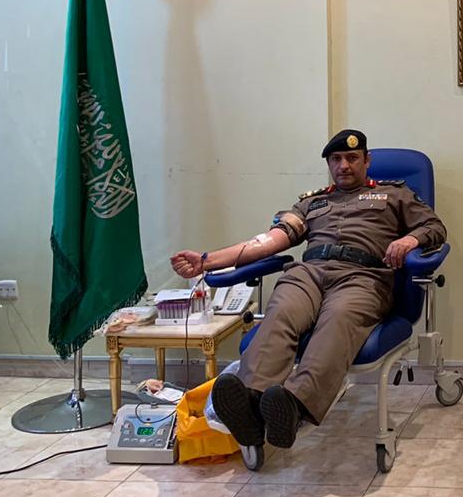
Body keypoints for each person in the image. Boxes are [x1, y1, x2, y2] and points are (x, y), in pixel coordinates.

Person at [169, 129, 446, 453]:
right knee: (282, 312)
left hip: (363, 277)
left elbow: (434, 227)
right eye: (336, 159)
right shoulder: (312, 202)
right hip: (309, 273)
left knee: (338, 318)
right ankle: (249, 403)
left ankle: (295, 407)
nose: (344, 165)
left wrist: (409, 240)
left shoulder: (394, 195)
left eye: (352, 158)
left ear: (367, 160)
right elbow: (268, 242)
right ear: (329, 164)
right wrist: (206, 261)